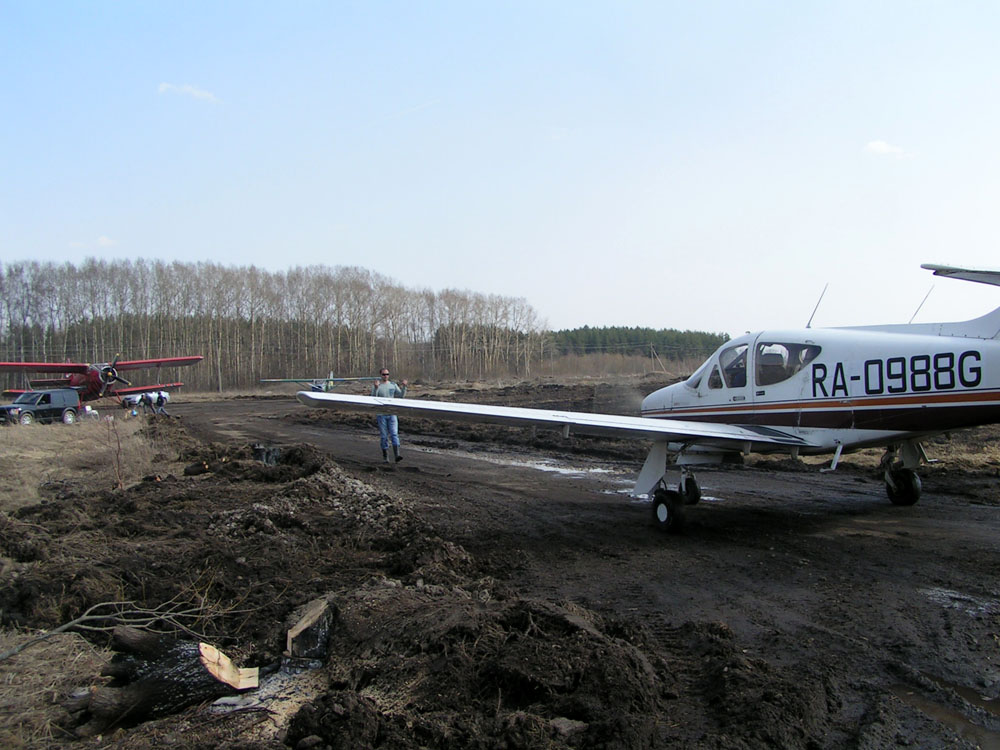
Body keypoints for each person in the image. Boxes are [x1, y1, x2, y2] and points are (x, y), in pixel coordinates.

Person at [371, 368, 408, 463]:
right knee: (384, 436)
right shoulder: (377, 386)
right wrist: (376, 388)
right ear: (381, 375)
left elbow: (401, 396)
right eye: (384, 374)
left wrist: (404, 387)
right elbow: (373, 397)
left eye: (387, 374)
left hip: (392, 413)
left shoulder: (393, 385)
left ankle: (397, 455)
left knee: (394, 434)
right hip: (381, 414)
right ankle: (385, 457)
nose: (386, 376)